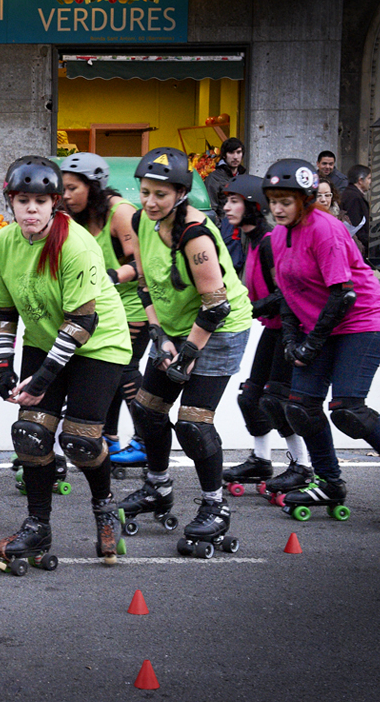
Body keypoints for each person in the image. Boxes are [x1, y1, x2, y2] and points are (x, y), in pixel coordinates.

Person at [263, 159, 380, 527]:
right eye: (273, 200)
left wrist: (310, 345)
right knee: (300, 408)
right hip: (323, 326)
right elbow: (290, 294)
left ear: (308, 200)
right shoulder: (278, 236)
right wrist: (293, 340)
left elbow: (343, 296)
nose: (277, 208)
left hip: (362, 322)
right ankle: (330, 483)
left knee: (347, 408)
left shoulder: (324, 229)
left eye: (286, 201)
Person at [0, 156, 133, 574]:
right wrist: (1, 363)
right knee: (30, 435)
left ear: (55, 204)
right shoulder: (3, 243)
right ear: (11, 202)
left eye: (40, 201)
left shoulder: (76, 244)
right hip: (44, 338)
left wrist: (42, 379)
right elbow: (0, 310)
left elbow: (83, 322)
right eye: (23, 201)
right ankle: (38, 526)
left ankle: (105, 509)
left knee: (81, 441)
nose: (31, 210)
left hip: (98, 343)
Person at [118, 147, 253, 556]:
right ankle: (158, 488)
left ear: (180, 193)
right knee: (146, 409)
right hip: (176, 328)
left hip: (221, 329)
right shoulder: (141, 221)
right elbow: (143, 284)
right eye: (145, 191)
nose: (150, 201)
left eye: (160, 194)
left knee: (193, 423)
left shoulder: (196, 234)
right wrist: (159, 336)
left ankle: (215, 506)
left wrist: (188, 355)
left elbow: (217, 305)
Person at [218, 174, 311, 500]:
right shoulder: (251, 241)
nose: (227, 206)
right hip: (273, 329)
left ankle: (303, 465)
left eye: (234, 201)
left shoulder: (270, 241)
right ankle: (260, 460)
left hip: (291, 330)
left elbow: (284, 295)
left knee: (276, 401)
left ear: (252, 206)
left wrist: (249, 309)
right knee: (249, 397)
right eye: (226, 200)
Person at [60, 151, 150, 477]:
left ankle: (145, 440)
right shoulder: (80, 217)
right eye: (63, 189)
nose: (66, 196)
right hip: (106, 308)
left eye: (73, 188)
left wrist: (109, 276)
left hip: (134, 306)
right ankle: (109, 440)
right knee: (108, 374)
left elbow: (142, 264)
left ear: (94, 186)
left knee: (125, 371)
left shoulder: (120, 213)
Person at [205, 138, 247, 275]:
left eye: (239, 152)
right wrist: (220, 228)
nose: (235, 157)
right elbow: (210, 208)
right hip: (225, 230)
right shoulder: (214, 178)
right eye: (231, 153)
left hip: (244, 230)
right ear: (224, 155)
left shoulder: (243, 176)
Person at [339, 165, 371, 254]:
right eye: (369, 178)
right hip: (356, 248)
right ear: (360, 180)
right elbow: (355, 225)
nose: (370, 182)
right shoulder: (354, 197)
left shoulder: (351, 194)